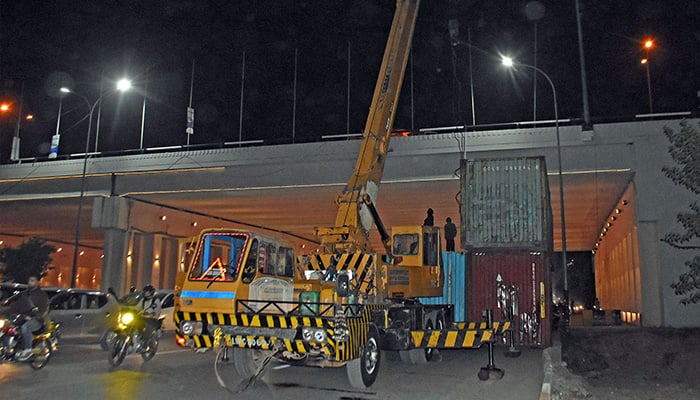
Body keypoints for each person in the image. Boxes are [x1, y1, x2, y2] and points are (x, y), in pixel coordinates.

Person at [13, 275, 50, 361]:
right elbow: (17, 305)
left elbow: (44, 308)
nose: (30, 282)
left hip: (37, 320)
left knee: (25, 327)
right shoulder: (25, 294)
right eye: (29, 281)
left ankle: (28, 349)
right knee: (10, 327)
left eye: (32, 281)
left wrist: (34, 316)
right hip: (23, 317)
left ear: (37, 282)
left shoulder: (42, 295)